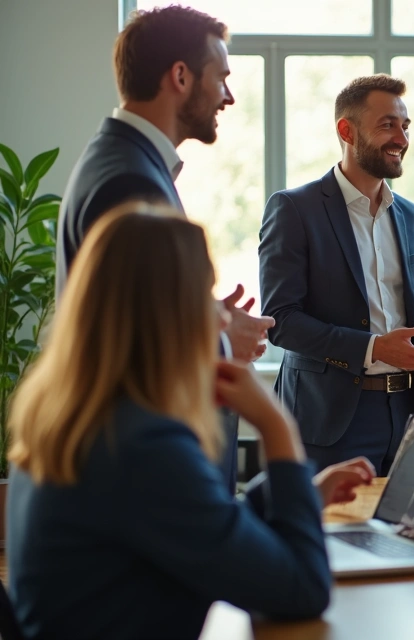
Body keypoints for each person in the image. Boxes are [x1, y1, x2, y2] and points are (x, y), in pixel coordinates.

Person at [6, 207, 334, 640]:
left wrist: (291, 495)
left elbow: (195, 520)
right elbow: (303, 589)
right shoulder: (143, 444)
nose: (221, 318)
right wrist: (277, 427)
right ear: (169, 313)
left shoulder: (73, 417)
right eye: (206, 294)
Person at [56, 5, 275, 490]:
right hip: (134, 466)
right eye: (221, 77)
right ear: (180, 76)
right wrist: (222, 337)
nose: (229, 96)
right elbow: (133, 342)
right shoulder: (130, 179)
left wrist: (204, 312)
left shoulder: (119, 159)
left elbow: (130, 303)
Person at [259, 74, 414, 476]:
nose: (402, 139)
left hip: (408, 415)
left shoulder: (409, 214)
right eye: (387, 124)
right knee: (333, 536)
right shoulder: (294, 209)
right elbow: (281, 321)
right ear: (346, 131)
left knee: (408, 535)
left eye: (405, 127)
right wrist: (373, 348)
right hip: (329, 422)